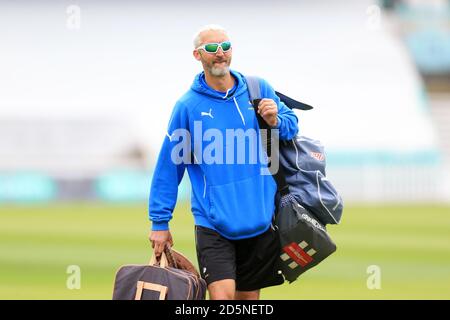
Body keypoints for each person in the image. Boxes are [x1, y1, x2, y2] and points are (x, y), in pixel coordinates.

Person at [148, 24, 299, 300]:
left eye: (226, 47)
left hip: (259, 219)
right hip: (213, 224)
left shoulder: (258, 89)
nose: (220, 54)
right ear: (197, 55)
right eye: (212, 48)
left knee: (247, 301)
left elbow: (291, 128)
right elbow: (169, 168)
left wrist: (276, 120)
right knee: (222, 298)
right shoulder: (187, 107)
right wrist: (160, 222)